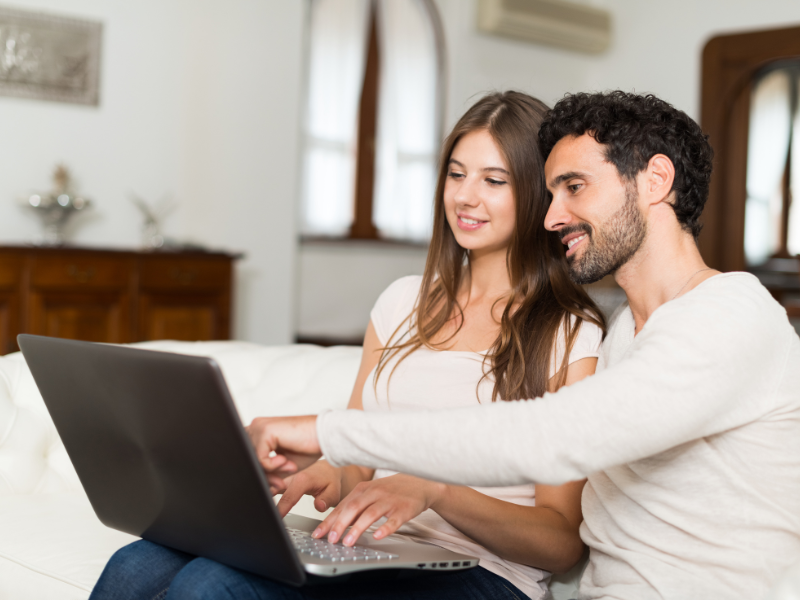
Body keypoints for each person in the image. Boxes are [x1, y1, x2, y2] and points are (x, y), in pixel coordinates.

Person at [250, 91, 800, 600]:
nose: (552, 215)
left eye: (575, 187)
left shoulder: (730, 316)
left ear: (656, 180)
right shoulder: (626, 336)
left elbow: (552, 434)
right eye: (551, 190)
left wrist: (331, 434)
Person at [90, 91, 606, 600]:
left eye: (494, 180)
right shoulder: (401, 302)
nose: (465, 196)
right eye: (455, 174)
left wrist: (436, 490)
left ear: (540, 194)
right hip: (377, 547)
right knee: (137, 562)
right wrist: (313, 475)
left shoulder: (568, 332)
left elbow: (561, 541)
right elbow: (359, 462)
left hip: (484, 574)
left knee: (213, 586)